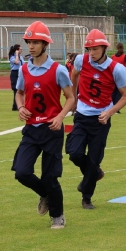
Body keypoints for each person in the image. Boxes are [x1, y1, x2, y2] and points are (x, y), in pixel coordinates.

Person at [12, 21, 75, 230]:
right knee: (21, 172)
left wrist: (60, 116)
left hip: (52, 130)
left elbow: (70, 98)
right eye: (29, 42)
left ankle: (57, 216)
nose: (31, 46)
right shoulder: (23, 69)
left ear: (45, 44)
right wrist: (20, 107)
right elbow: (19, 93)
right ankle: (45, 195)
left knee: (50, 177)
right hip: (31, 130)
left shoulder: (58, 70)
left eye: (36, 42)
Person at [67, 29, 126, 209]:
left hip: (101, 120)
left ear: (104, 48)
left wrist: (110, 112)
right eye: (89, 49)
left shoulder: (116, 69)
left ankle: (86, 198)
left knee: (94, 158)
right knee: (74, 152)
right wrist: (74, 97)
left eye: (95, 49)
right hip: (82, 114)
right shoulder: (81, 60)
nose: (91, 53)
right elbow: (74, 75)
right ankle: (94, 173)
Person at [110, 41, 126, 106]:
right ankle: (116, 108)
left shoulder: (113, 57)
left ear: (116, 48)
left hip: (113, 76)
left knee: (113, 92)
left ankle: (111, 106)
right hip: (121, 76)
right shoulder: (125, 56)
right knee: (120, 93)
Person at [8, 44, 23, 110]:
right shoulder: (12, 57)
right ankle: (15, 106)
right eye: (20, 49)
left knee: (20, 89)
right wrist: (16, 55)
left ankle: (16, 106)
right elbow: (16, 62)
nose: (21, 50)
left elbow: (23, 65)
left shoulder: (21, 57)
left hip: (20, 73)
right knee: (15, 90)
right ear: (17, 50)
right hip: (15, 73)